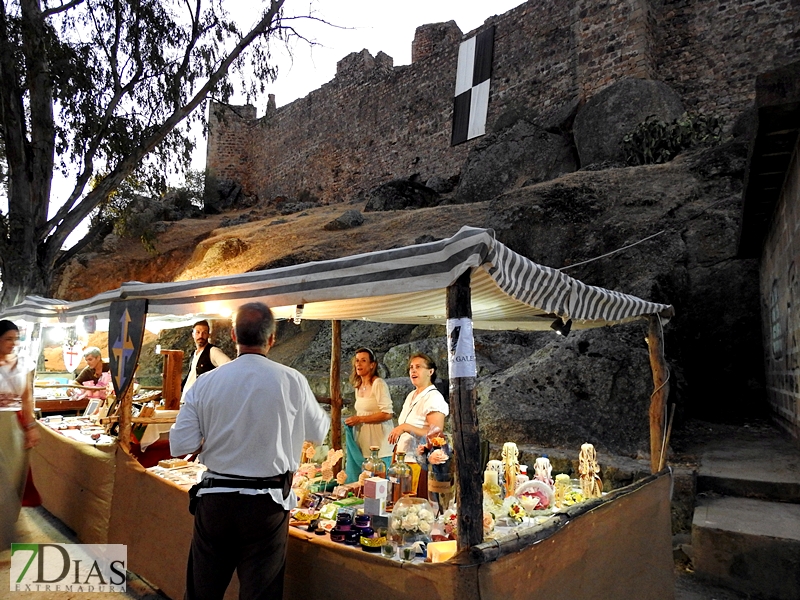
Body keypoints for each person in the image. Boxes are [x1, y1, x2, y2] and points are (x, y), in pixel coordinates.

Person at [171, 302, 330, 600]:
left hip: (215, 500)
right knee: (261, 594)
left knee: (202, 593)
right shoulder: (292, 380)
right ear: (272, 339)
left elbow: (181, 445)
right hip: (266, 507)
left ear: (233, 335)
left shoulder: (205, 382)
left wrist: (213, 438)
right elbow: (319, 432)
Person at [0, 320, 40, 550]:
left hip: (14, 427)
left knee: (13, 478)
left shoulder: (22, 363)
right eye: (8, 338)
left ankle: (6, 529)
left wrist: (31, 426)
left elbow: (26, 397)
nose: (13, 343)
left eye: (16, 339)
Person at [387, 352, 448, 496]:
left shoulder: (434, 397)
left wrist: (405, 427)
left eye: (418, 367)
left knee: (412, 503)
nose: (413, 370)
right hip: (402, 461)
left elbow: (435, 434)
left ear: (430, 371)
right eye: (411, 367)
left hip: (418, 463)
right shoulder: (411, 395)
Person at [343, 348, 394, 482]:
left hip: (380, 443)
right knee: (362, 483)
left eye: (363, 361)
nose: (359, 364)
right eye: (357, 361)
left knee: (378, 484)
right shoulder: (358, 386)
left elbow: (388, 414)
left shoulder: (378, 384)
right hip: (363, 442)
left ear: (372, 365)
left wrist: (360, 419)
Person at [181, 320, 231, 398]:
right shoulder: (193, 354)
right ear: (193, 335)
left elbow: (230, 367)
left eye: (204, 333)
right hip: (188, 399)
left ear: (208, 335)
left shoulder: (213, 351)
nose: (201, 336)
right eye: (197, 332)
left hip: (201, 401)